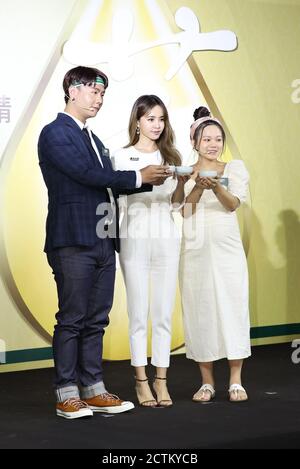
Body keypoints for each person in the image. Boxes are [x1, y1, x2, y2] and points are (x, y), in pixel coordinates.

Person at [38, 66, 170, 419]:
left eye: (102, 94)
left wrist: (146, 179)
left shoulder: (94, 140)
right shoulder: (55, 133)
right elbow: (87, 175)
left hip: (101, 240)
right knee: (72, 318)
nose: (99, 99)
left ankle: (93, 389)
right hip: (72, 239)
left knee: (97, 318)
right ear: (72, 90)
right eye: (94, 92)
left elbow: (106, 182)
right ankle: (67, 393)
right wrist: (137, 176)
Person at [112, 95, 182, 407]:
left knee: (164, 313)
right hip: (134, 237)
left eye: (161, 119)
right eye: (151, 118)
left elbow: (177, 204)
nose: (156, 125)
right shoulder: (121, 156)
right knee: (138, 314)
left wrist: (182, 180)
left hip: (167, 237)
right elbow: (117, 196)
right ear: (137, 121)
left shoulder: (172, 155)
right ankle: (141, 381)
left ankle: (162, 380)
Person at [179, 106, 251, 403]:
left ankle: (236, 379)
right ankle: (207, 381)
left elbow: (233, 204)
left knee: (233, 307)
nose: (212, 144)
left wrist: (216, 188)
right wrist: (197, 186)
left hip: (227, 248)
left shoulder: (234, 168)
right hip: (194, 249)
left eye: (217, 139)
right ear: (194, 142)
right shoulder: (183, 172)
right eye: (206, 138)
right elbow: (184, 211)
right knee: (200, 309)